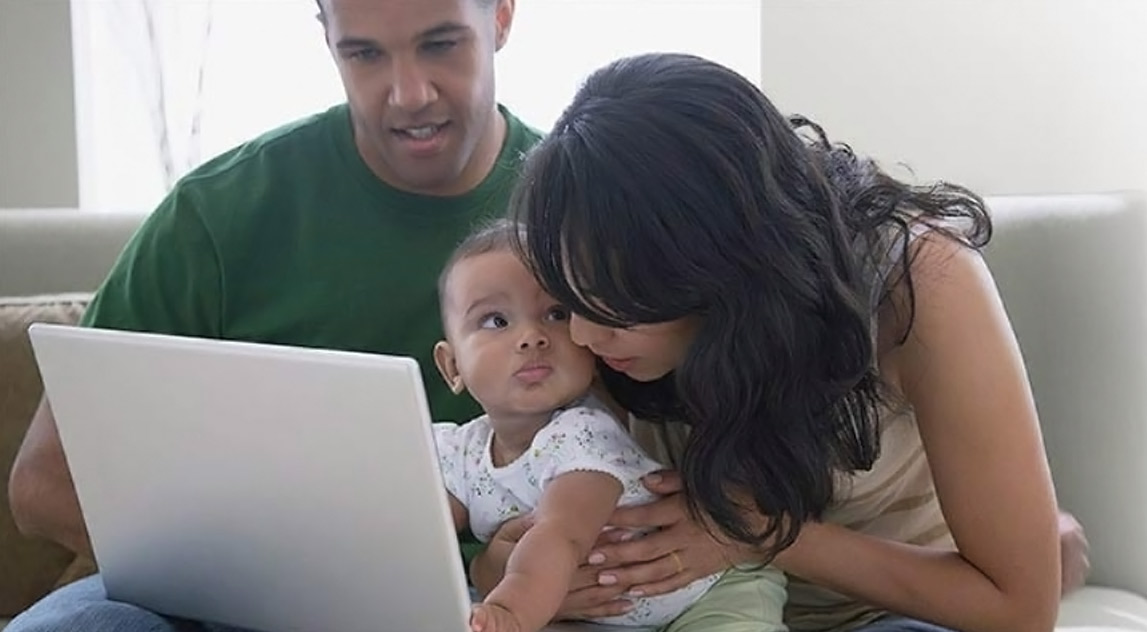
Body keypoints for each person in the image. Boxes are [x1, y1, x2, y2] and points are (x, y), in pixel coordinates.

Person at [473, 51, 1078, 632]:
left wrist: (756, 533)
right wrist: (507, 567)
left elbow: (1019, 609)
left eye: (616, 306)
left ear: (715, 264)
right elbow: (529, 527)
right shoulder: (592, 285)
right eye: (568, 302)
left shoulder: (916, 281)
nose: (580, 335)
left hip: (890, 614)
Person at [6, 0, 536, 630]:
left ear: (500, 18)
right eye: (364, 54)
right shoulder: (221, 211)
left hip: (506, 602)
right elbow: (41, 482)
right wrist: (257, 582)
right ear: (328, 39)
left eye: (441, 44)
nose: (408, 94)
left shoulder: (580, 207)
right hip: (221, 596)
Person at [430, 219, 785, 632]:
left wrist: (509, 614)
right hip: (601, 611)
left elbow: (561, 535)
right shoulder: (459, 451)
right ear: (451, 365)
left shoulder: (583, 435)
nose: (531, 337)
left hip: (706, 593)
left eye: (556, 313)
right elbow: (419, 529)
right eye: (495, 321)